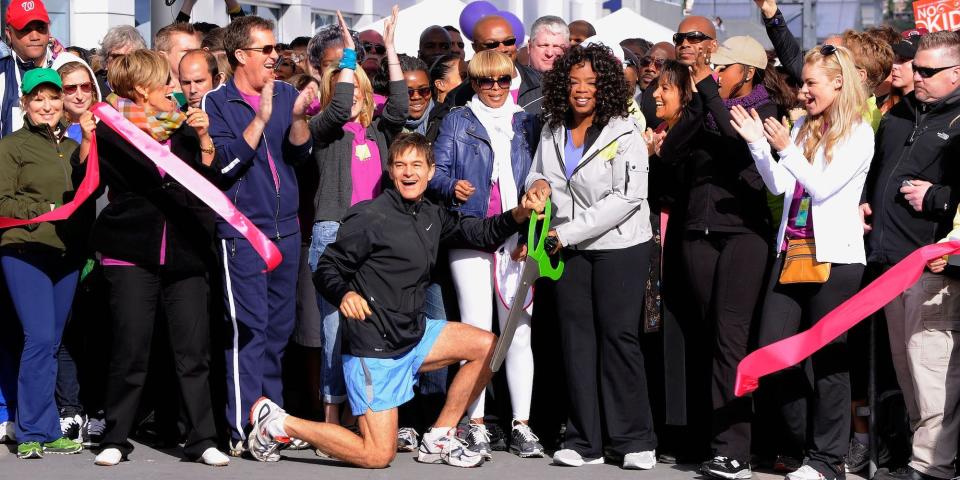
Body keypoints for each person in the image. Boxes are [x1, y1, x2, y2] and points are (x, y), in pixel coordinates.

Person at [244, 132, 542, 469]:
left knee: (490, 346)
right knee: (377, 455)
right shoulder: (369, 216)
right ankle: (278, 423)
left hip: (413, 335)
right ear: (390, 170)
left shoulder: (432, 214)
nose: (409, 172)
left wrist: (519, 213)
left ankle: (440, 437)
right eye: (400, 165)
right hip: (374, 349)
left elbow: (480, 233)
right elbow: (327, 267)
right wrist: (345, 293)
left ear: (431, 172)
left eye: (417, 165)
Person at [70, 49, 228, 468]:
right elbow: (84, 185)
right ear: (142, 89)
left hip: (186, 249)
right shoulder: (110, 129)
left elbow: (207, 188)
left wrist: (207, 141)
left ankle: (202, 438)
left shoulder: (184, 129)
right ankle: (115, 437)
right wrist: (86, 141)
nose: (175, 90)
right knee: (130, 348)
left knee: (193, 351)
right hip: (130, 250)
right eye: (166, 84)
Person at [730, 44, 874, 480]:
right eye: (804, 83)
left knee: (830, 359)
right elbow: (779, 185)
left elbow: (824, 188)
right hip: (791, 252)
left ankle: (826, 460)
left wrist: (786, 148)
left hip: (836, 257)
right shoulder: (801, 127)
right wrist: (759, 146)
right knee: (776, 351)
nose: (804, 92)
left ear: (837, 82)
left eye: (811, 84)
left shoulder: (858, 132)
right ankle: (799, 448)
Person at [526, 43, 656, 470]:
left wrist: (567, 232)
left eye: (592, 82)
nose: (582, 90)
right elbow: (540, 171)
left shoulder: (626, 130)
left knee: (618, 338)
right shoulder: (552, 127)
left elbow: (629, 197)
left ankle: (635, 440)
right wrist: (537, 187)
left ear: (607, 86)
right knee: (576, 342)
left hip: (620, 246)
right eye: (575, 81)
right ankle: (585, 441)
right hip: (569, 248)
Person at [652, 36, 777, 479]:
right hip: (696, 235)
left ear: (749, 73)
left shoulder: (766, 108)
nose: (716, 75)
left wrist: (708, 93)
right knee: (708, 338)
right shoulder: (706, 103)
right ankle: (711, 439)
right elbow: (670, 151)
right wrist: (699, 104)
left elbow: (737, 140)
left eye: (725, 69)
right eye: (713, 69)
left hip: (744, 236)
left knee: (731, 339)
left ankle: (736, 450)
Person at [202, 15, 317, 455]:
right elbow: (224, 167)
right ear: (240, 56)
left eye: (276, 48)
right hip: (242, 234)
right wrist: (262, 117)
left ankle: (271, 422)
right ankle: (241, 428)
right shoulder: (218, 102)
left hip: (286, 231)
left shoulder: (288, 93)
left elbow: (300, 155)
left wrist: (299, 118)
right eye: (266, 50)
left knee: (279, 331)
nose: (275, 56)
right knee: (248, 331)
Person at [428, 49, 541, 459]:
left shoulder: (527, 122)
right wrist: (451, 186)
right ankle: (474, 423)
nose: (494, 89)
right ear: (472, 83)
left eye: (503, 81)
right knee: (476, 332)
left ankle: (521, 424)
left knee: (519, 331)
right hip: (471, 231)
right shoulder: (457, 120)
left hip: (517, 233)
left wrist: (532, 229)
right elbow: (434, 174)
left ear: (513, 81)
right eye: (484, 82)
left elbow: (540, 177)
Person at [861, 31, 960, 480]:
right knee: (907, 371)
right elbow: (878, 170)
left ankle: (933, 465)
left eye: (927, 71)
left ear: (957, 74)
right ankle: (923, 460)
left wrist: (939, 197)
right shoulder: (899, 113)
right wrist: (866, 199)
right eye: (915, 67)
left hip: (933, 267)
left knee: (932, 369)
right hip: (888, 264)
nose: (914, 76)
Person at [306, 8, 406, 432]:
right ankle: (331, 417)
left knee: (373, 330)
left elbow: (400, 104)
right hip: (333, 235)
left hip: (375, 236)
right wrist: (348, 57)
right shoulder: (323, 132)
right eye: (347, 95)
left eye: (362, 95)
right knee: (334, 332)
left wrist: (391, 49)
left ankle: (363, 416)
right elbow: (339, 105)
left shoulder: (380, 132)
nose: (354, 102)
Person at [0, 68, 90, 459]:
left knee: (51, 343)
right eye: (38, 98)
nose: (47, 105)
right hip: (24, 250)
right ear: (25, 104)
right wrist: (47, 210)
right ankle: (31, 431)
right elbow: (3, 202)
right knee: (37, 339)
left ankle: (49, 428)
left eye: (52, 97)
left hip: (66, 255)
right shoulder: (11, 147)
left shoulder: (74, 148)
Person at [450, 15, 543, 115]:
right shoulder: (459, 97)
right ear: (475, 47)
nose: (503, 49)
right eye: (492, 44)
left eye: (509, 42)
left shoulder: (542, 83)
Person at [1, 0, 64, 137]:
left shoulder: (66, 67)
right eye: (25, 29)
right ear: (9, 33)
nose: (35, 36)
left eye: (41, 28)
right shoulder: (2, 72)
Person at [879, 30, 924, 114]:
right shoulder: (884, 108)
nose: (894, 66)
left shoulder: (930, 110)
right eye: (895, 58)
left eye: (903, 60)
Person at [95, 25, 148, 96]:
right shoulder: (92, 94)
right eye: (117, 58)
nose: (123, 63)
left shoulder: (149, 92)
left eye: (130, 57)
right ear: (106, 61)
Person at [154, 22, 202, 93]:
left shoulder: (210, 92)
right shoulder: (152, 95)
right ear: (162, 56)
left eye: (197, 51)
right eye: (187, 51)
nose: (194, 56)